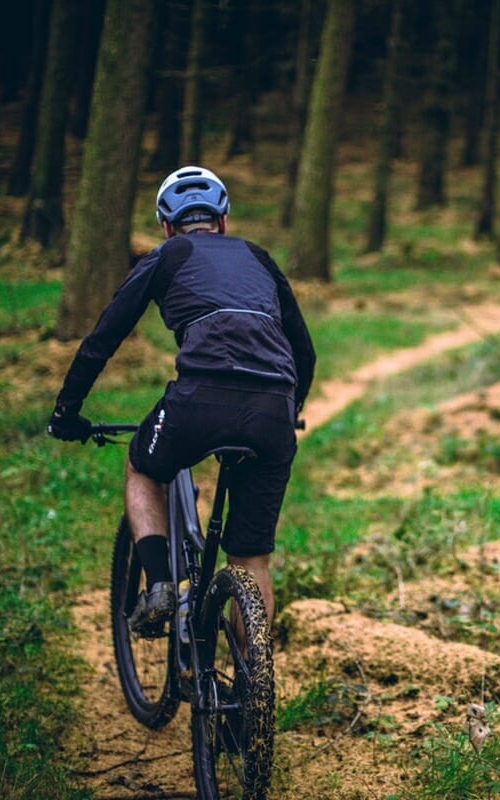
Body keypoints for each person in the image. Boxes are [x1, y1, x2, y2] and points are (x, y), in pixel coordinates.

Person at [48, 165, 316, 634]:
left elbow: (103, 337)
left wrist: (66, 410)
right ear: (224, 220)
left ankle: (160, 586)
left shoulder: (168, 254)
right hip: (273, 407)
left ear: (167, 226)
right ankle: (251, 688)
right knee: (252, 558)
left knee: (143, 467)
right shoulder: (258, 257)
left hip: (199, 399)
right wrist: (290, 411)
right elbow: (305, 352)